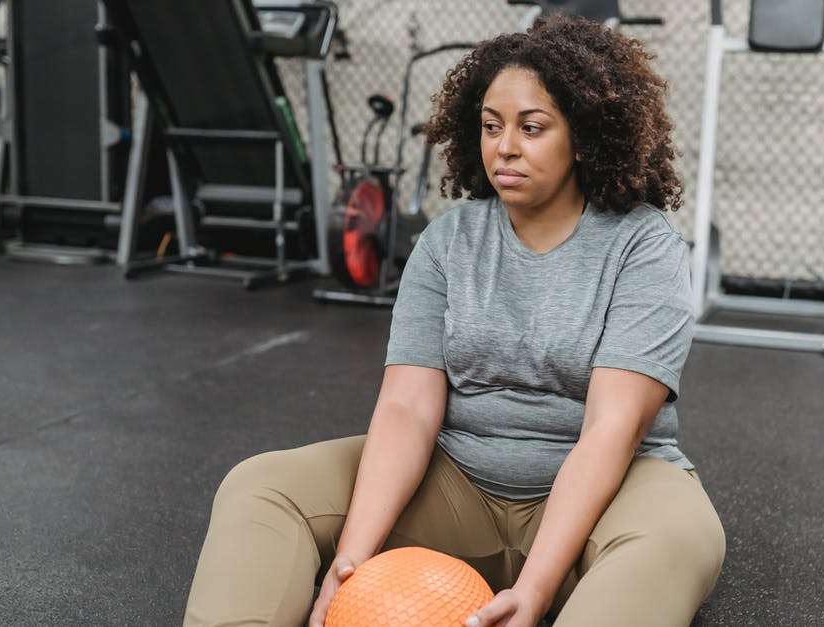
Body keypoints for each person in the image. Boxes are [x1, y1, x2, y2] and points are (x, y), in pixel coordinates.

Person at [183, 14, 725, 627]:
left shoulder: (643, 244)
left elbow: (613, 428)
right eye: (491, 127)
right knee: (262, 486)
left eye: (532, 127)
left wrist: (538, 587)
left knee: (678, 540)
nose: (505, 147)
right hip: (457, 483)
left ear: (585, 136)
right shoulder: (447, 242)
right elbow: (407, 409)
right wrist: (351, 565)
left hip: (608, 494)